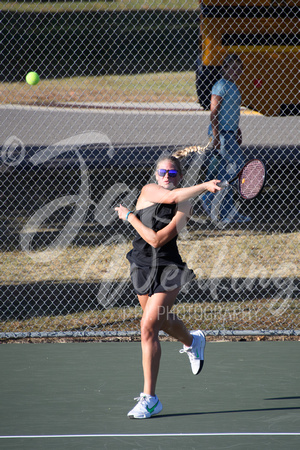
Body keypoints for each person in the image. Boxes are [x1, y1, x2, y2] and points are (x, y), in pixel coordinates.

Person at [115, 155, 221, 419]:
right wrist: (205, 185)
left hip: (168, 268)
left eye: (173, 174)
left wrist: (129, 217)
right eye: (163, 172)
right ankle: (192, 341)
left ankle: (150, 399)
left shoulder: (184, 203)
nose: (167, 177)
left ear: (180, 177)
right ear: (156, 174)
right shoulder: (148, 191)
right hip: (140, 266)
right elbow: (167, 199)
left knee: (148, 326)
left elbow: (156, 239)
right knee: (159, 322)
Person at [201, 53, 252, 225]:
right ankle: (209, 196)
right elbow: (214, 112)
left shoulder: (234, 87)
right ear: (224, 69)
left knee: (224, 172)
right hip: (222, 135)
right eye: (232, 67)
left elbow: (231, 112)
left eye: (239, 69)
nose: (236, 71)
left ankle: (226, 210)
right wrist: (216, 135)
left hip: (230, 133)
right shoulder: (220, 86)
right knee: (235, 167)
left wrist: (237, 130)